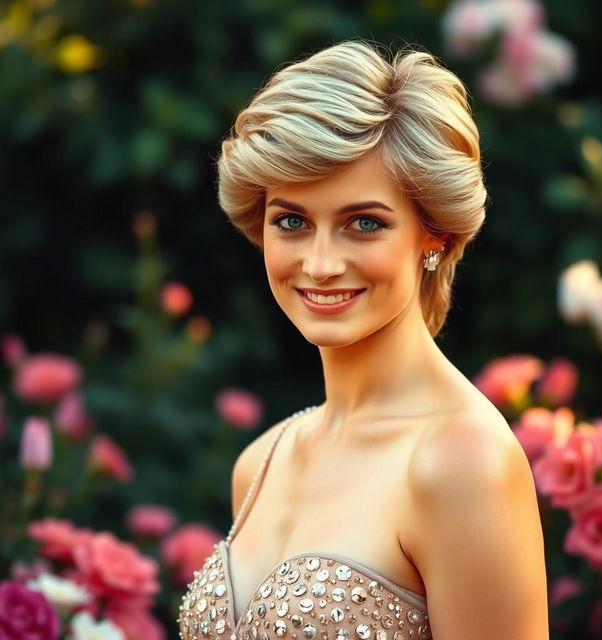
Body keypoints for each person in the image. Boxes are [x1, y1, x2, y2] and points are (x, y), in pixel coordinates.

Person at [178, 40, 548, 640]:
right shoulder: (260, 463)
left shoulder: (462, 462)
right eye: (292, 221)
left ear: (433, 234)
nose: (321, 264)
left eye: (364, 223)